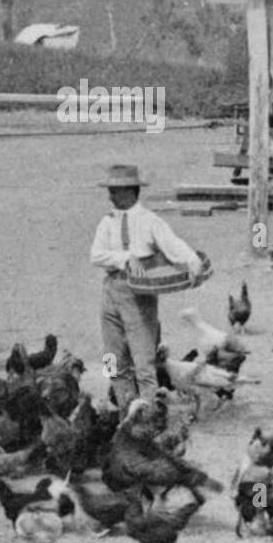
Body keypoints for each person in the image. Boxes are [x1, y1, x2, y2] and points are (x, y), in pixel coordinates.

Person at [89, 164, 204, 410]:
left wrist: (193, 263)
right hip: (110, 290)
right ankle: (123, 411)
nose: (110, 196)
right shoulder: (106, 222)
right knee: (111, 359)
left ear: (130, 191)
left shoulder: (151, 221)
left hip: (139, 294)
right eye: (110, 190)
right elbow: (95, 255)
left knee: (144, 362)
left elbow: (175, 247)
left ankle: (149, 416)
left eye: (115, 191)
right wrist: (125, 258)